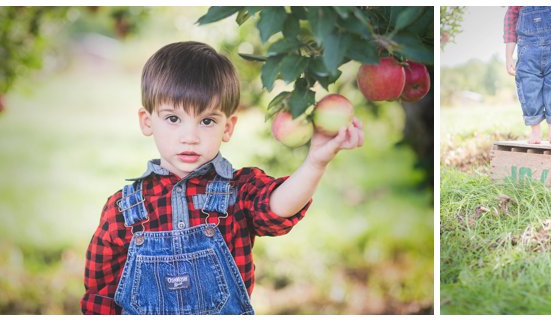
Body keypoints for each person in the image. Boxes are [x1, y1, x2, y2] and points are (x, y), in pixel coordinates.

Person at [81, 41, 364, 315]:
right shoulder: (123, 210)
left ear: (227, 127)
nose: (190, 137)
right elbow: (100, 295)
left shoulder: (239, 191)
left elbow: (276, 209)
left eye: (207, 121)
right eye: (173, 119)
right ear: (147, 121)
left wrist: (315, 162)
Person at [504, 6, 551, 144]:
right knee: (529, 90)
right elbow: (510, 33)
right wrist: (509, 58)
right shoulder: (515, 6)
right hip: (527, 54)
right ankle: (535, 132)